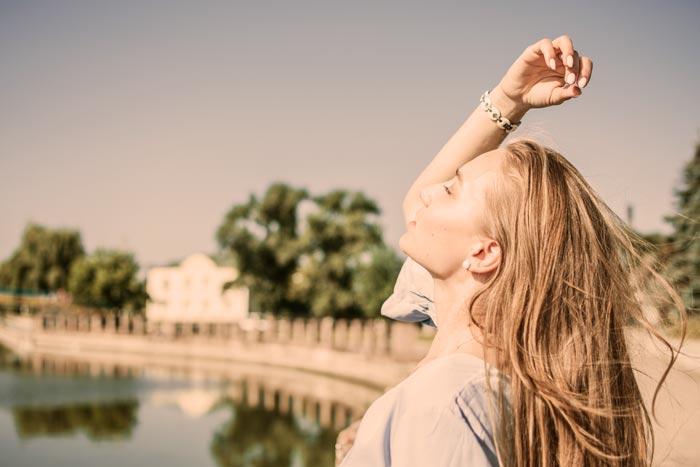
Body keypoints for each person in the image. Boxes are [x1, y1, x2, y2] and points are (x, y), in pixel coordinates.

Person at [337, 35, 688, 467]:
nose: (430, 191)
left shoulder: (443, 405)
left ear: (484, 255)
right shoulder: (486, 373)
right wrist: (508, 99)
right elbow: (417, 209)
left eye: (452, 189)